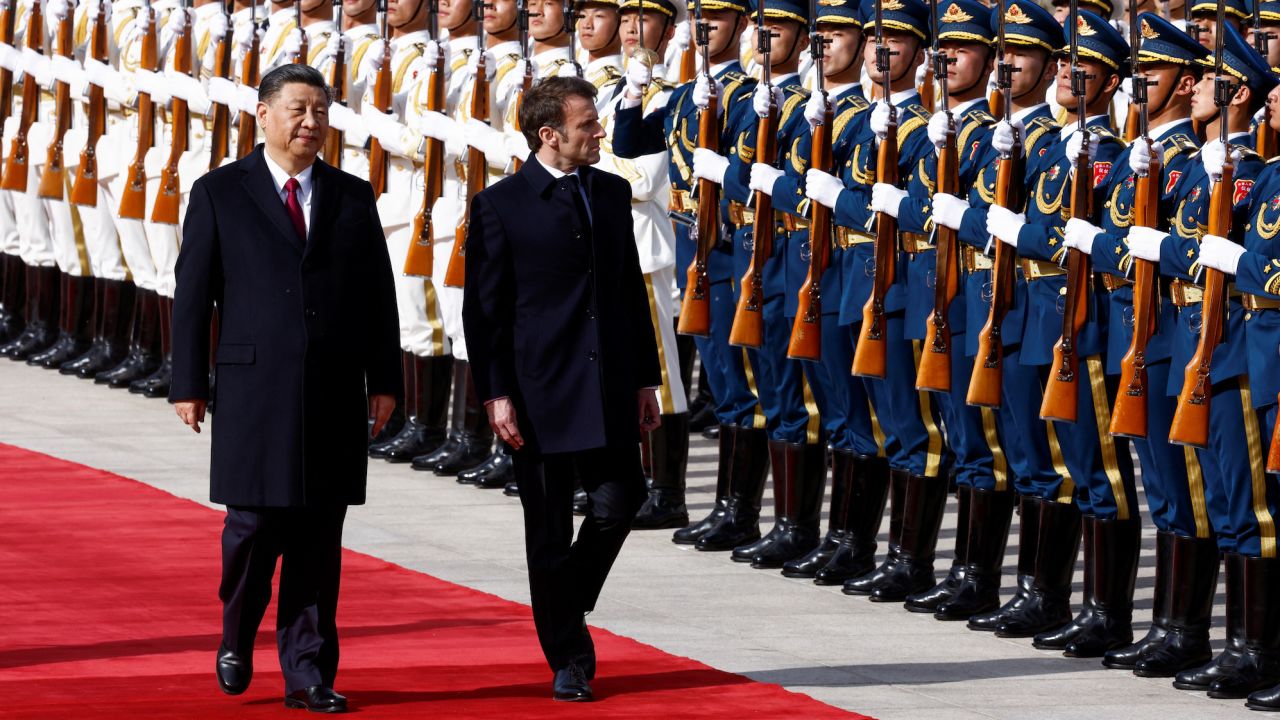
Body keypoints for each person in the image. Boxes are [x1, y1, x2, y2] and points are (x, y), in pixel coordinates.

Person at [168, 63, 402, 713]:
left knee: (317, 535)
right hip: (254, 388)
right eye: (298, 110)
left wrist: (385, 379)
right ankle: (237, 632)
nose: (310, 123)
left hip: (332, 389)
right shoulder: (220, 192)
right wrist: (188, 382)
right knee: (252, 524)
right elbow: (193, 297)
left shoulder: (353, 195)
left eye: (321, 112)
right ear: (262, 114)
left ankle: (308, 672)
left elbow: (376, 298)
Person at [461, 75, 662, 702]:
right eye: (587, 126)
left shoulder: (608, 191)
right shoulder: (500, 205)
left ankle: (563, 600)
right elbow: (484, 313)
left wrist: (645, 380)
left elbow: (630, 290)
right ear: (549, 135)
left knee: (622, 498)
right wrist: (495, 394)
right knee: (545, 529)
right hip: (538, 390)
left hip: (606, 382)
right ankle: (569, 657)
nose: (599, 133)